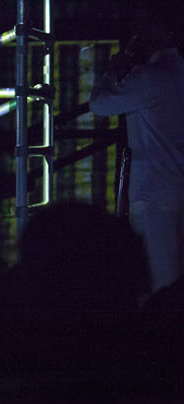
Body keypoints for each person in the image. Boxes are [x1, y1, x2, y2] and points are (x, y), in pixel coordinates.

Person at [89, 1, 184, 292]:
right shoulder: (175, 73)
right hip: (174, 189)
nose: (136, 31)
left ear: (166, 32)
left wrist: (112, 71)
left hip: (155, 196)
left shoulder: (150, 77)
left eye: (145, 24)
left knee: (160, 285)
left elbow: (100, 104)